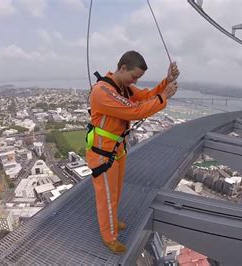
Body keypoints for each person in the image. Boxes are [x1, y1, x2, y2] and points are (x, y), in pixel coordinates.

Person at [86, 50, 179, 254]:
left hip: (115, 150)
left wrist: (166, 82)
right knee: (107, 197)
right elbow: (135, 111)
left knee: (116, 192)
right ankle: (109, 237)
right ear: (123, 68)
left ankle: (112, 221)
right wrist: (164, 97)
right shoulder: (103, 91)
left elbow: (145, 96)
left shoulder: (122, 86)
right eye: (134, 76)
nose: (135, 81)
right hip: (103, 153)